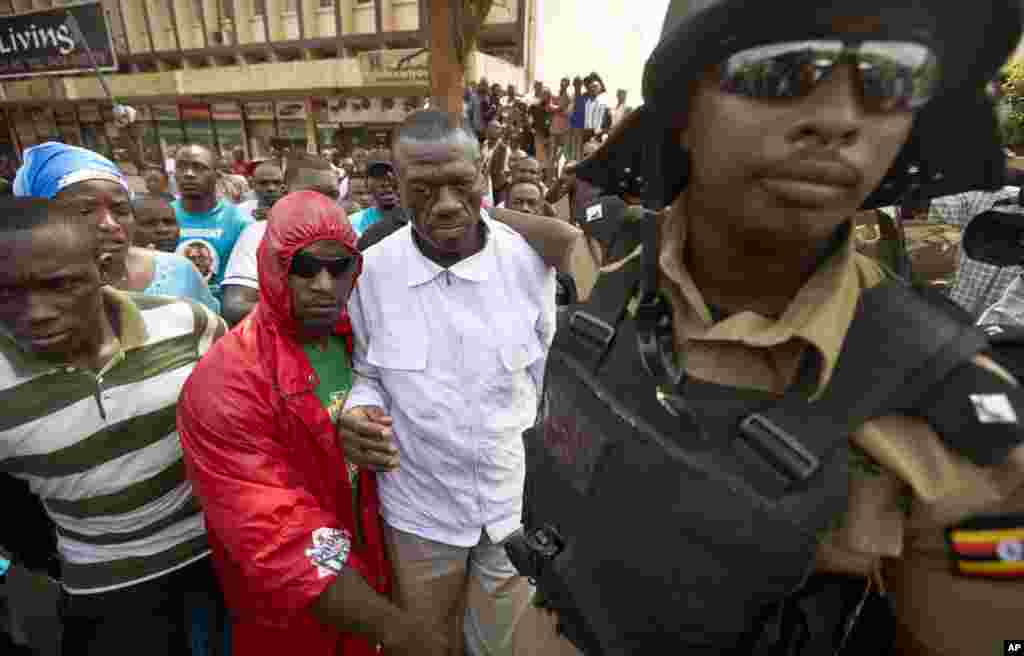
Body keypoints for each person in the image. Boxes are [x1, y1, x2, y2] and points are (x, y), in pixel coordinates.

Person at [513, 1, 1024, 654]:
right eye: (781, 72)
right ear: (683, 112)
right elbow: (557, 240)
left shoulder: (961, 421)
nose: (840, 119)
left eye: (889, 79)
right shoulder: (610, 259)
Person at [178, 191, 446, 656]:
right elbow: (275, 532)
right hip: (293, 612)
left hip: (373, 578)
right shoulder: (228, 380)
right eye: (305, 267)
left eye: (340, 267)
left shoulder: (361, 341)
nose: (324, 285)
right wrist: (395, 628)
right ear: (273, 268)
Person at [336, 109, 556, 656]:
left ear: (484, 172)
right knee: (427, 644)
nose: (448, 204)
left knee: (504, 649)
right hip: (420, 514)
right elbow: (367, 374)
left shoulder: (531, 263)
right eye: (424, 189)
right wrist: (358, 413)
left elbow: (548, 380)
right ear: (396, 187)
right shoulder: (371, 273)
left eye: (461, 183)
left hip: (514, 507)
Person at [0, 196, 229, 656]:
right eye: (6, 293)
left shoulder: (188, 326)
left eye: (60, 284)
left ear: (102, 269)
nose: (37, 312)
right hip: (104, 591)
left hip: (223, 564)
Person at [13, 142, 219, 313]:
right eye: (85, 211)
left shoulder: (178, 272)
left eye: (120, 210)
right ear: (40, 220)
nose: (110, 225)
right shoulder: (20, 300)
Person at [221, 157, 344, 326]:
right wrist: (296, 311)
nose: (324, 203)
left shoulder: (350, 236)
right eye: (312, 194)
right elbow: (234, 307)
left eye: (332, 195)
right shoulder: (259, 234)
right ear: (286, 192)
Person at [172, 143, 253, 303]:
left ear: (216, 176)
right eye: (182, 167)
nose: (189, 174)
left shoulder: (240, 222)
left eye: (199, 167)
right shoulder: (161, 218)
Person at [928, 186, 1024, 316]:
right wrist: (934, 280)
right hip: (946, 313)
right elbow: (937, 208)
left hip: (996, 328)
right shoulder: (990, 194)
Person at [349, 160, 403, 237]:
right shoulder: (355, 222)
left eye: (391, 177)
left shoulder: (416, 220)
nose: (386, 184)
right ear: (367, 185)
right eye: (379, 178)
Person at [581, 72, 610, 144]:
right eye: (586, 85)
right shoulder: (585, 96)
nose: (588, 86)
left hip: (596, 132)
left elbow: (606, 117)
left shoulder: (603, 97)